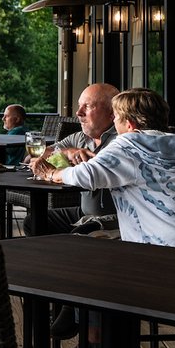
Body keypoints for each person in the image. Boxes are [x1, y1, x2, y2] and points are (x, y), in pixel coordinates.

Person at [34, 88, 175, 248]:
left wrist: (51, 173)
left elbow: (85, 175)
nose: (115, 123)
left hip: (155, 247)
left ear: (130, 124)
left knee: (78, 249)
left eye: (116, 118)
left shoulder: (129, 145)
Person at [24, 83, 120, 236]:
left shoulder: (121, 141)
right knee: (33, 222)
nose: (78, 112)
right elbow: (34, 157)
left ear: (112, 113)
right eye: (79, 106)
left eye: (87, 106)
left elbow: (91, 174)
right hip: (85, 213)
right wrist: (67, 152)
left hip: (116, 217)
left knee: (81, 233)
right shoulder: (79, 138)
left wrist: (53, 172)